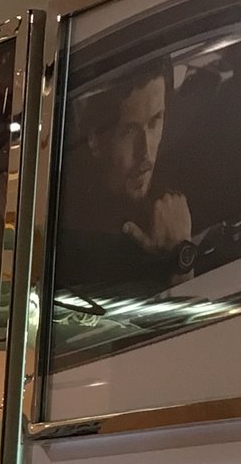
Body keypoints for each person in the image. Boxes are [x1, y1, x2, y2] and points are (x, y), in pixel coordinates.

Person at [58, 64, 195, 304]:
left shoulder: (181, 187)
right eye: (129, 131)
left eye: (155, 122)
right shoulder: (74, 241)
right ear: (95, 140)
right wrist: (180, 257)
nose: (146, 152)